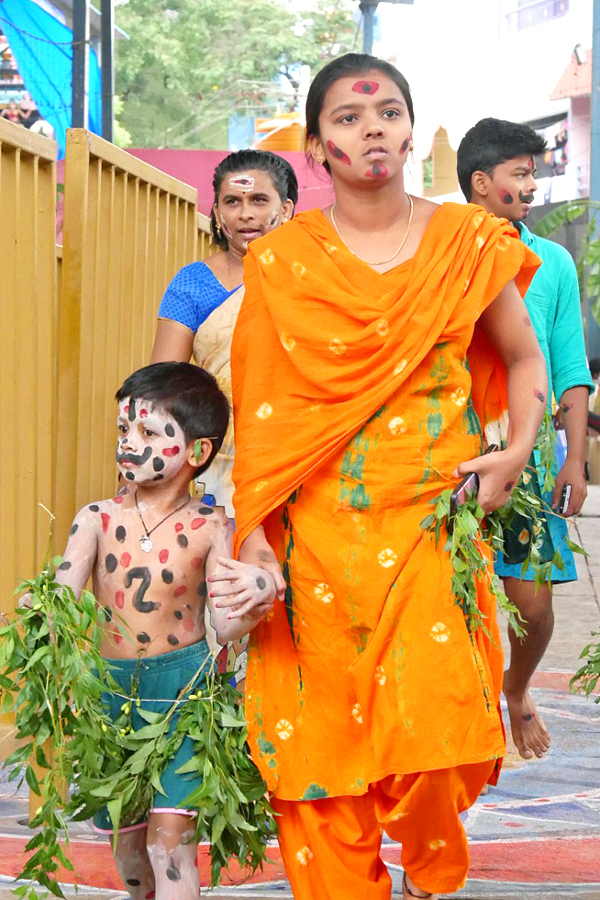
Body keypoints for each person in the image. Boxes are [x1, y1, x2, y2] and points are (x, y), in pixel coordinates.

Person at [229, 54, 547, 900]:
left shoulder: (467, 244)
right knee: (322, 749)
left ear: (409, 130)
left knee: (438, 730)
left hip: (432, 527)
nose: (371, 127)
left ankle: (429, 876)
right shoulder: (282, 262)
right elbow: (261, 412)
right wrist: (255, 537)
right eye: (347, 116)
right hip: (320, 543)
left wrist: (516, 452)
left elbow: (522, 360)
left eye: (388, 112)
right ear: (316, 145)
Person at [45, 362, 276, 900]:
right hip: (109, 697)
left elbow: (224, 622)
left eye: (149, 432)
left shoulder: (211, 527)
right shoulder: (96, 519)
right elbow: (64, 594)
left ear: (197, 453)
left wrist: (257, 595)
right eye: (124, 430)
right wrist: (43, 611)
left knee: (168, 845)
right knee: (129, 855)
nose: (129, 443)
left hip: (184, 697)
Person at [457, 118, 594, 761]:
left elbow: (568, 365)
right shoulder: (442, 252)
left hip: (532, 457)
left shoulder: (556, 262)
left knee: (532, 606)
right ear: (481, 184)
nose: (531, 185)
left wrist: (576, 460)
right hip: (452, 452)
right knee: (457, 596)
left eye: (533, 173)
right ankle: (469, 710)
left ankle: (517, 688)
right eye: (520, 174)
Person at [151, 149, 298, 519]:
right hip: (217, 462)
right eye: (232, 201)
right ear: (217, 213)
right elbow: (164, 388)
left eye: (259, 200)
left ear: (288, 209)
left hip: (297, 452)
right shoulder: (193, 284)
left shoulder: (309, 280)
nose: (245, 213)